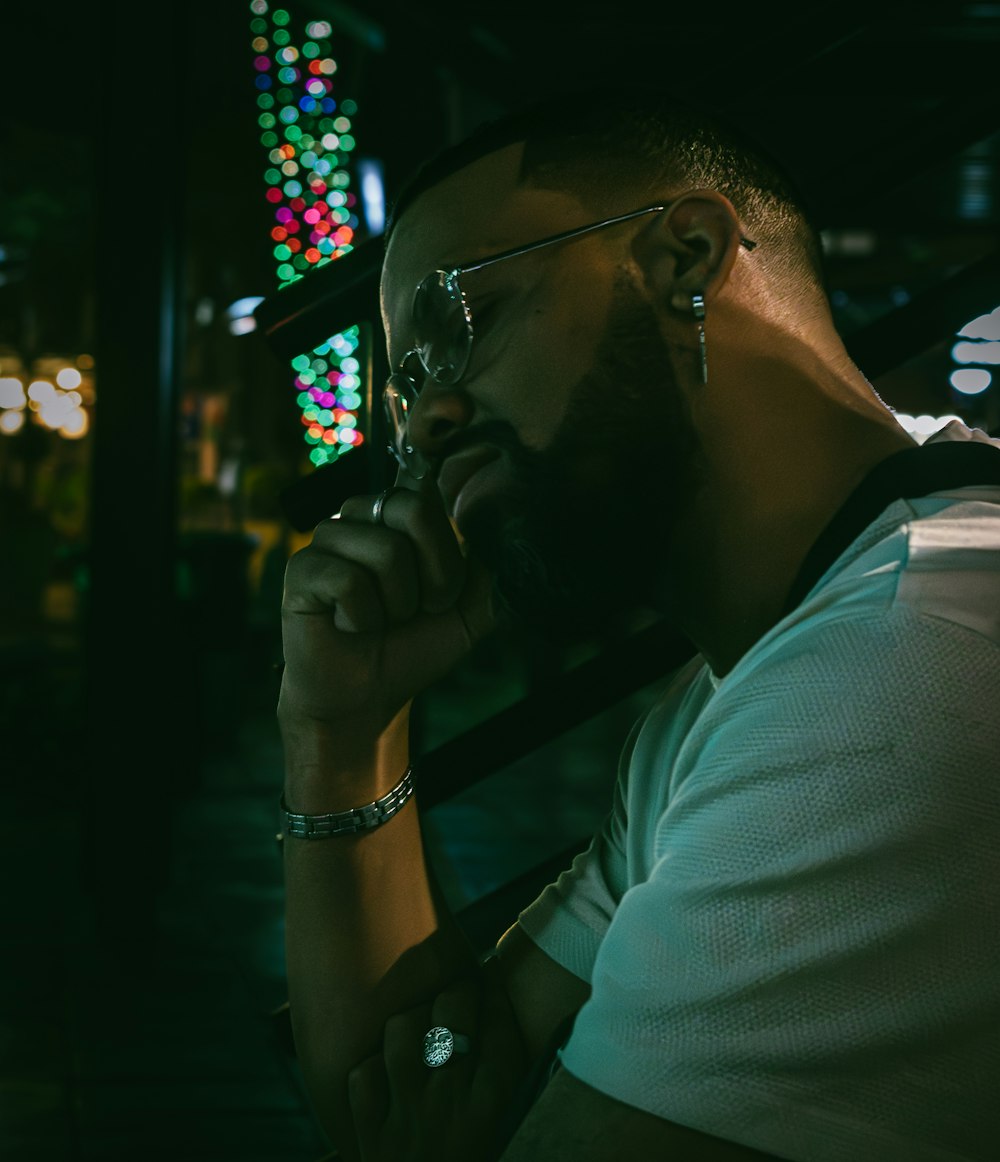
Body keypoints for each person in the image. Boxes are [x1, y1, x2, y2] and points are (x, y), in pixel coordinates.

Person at [276, 87, 1000, 1161]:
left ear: (686, 255)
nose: (424, 419)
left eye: (459, 325)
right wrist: (342, 733)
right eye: (407, 385)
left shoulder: (896, 662)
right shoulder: (740, 679)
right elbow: (428, 1072)